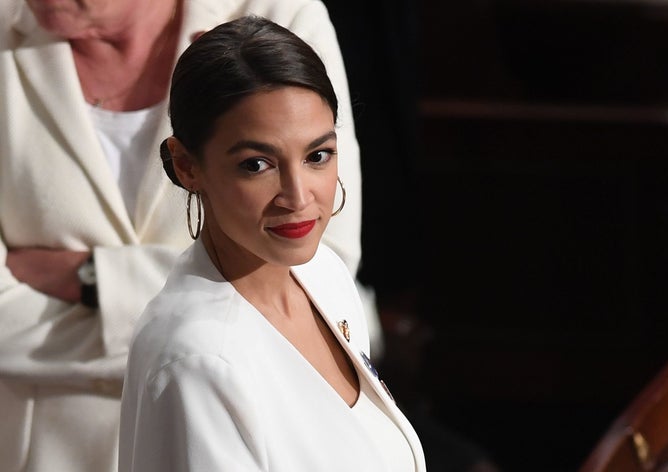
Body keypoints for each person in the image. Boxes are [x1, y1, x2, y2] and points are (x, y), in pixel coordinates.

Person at [0, 1, 362, 471]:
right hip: (43, 453)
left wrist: (95, 281)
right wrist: (184, 348)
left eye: (315, 157)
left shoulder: (276, 15)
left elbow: (315, 256)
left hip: (258, 437)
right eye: (256, 163)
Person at [118, 15, 425, 471]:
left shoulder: (324, 274)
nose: (299, 197)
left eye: (317, 156)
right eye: (257, 164)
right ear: (186, 165)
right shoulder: (198, 359)